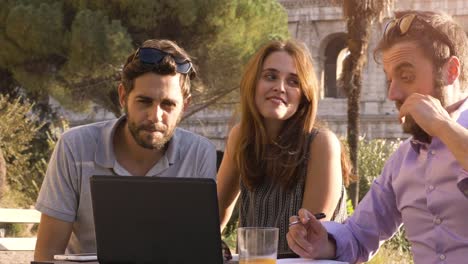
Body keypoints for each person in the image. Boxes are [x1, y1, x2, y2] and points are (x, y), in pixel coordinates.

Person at [287, 10, 468, 264]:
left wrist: (443, 126)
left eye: (406, 76)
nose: (393, 93)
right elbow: (359, 237)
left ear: (450, 71)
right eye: (389, 80)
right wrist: (321, 242)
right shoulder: (403, 161)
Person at [34, 39, 217, 261]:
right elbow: (47, 255)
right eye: (144, 101)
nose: (155, 116)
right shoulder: (74, 147)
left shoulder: (199, 154)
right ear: (123, 96)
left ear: (185, 106)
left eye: (168, 105)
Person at [217, 40, 354, 255]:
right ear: (253, 83)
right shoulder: (240, 137)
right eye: (270, 76)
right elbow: (215, 213)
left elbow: (308, 239)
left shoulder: (321, 143)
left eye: (293, 82)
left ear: (305, 95)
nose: (280, 87)